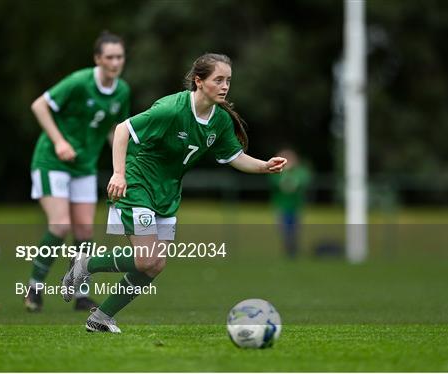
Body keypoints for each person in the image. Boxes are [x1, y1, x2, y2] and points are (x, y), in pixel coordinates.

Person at [61, 53, 287, 333]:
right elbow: (122, 130)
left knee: (155, 265)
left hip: (167, 194)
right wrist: (119, 174)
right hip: (138, 184)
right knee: (145, 258)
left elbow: (235, 157)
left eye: (228, 80)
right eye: (218, 80)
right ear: (199, 81)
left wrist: (264, 166)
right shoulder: (171, 109)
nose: (225, 86)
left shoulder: (219, 121)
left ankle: (101, 317)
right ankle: (86, 263)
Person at [25, 31, 130, 312]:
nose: (115, 62)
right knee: (60, 226)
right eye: (109, 57)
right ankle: (34, 289)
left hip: (84, 166)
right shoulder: (79, 82)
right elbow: (39, 105)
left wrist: (124, 165)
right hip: (52, 161)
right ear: (98, 59)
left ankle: (80, 293)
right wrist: (59, 141)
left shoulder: (122, 91)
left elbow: (114, 131)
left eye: (119, 56)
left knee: (84, 229)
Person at [268, 149, 311, 258]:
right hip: (282, 207)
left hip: (296, 207)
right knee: (285, 232)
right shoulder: (275, 172)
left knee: (295, 231)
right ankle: (288, 253)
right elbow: (281, 184)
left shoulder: (300, 171)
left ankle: (293, 253)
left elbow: (302, 180)